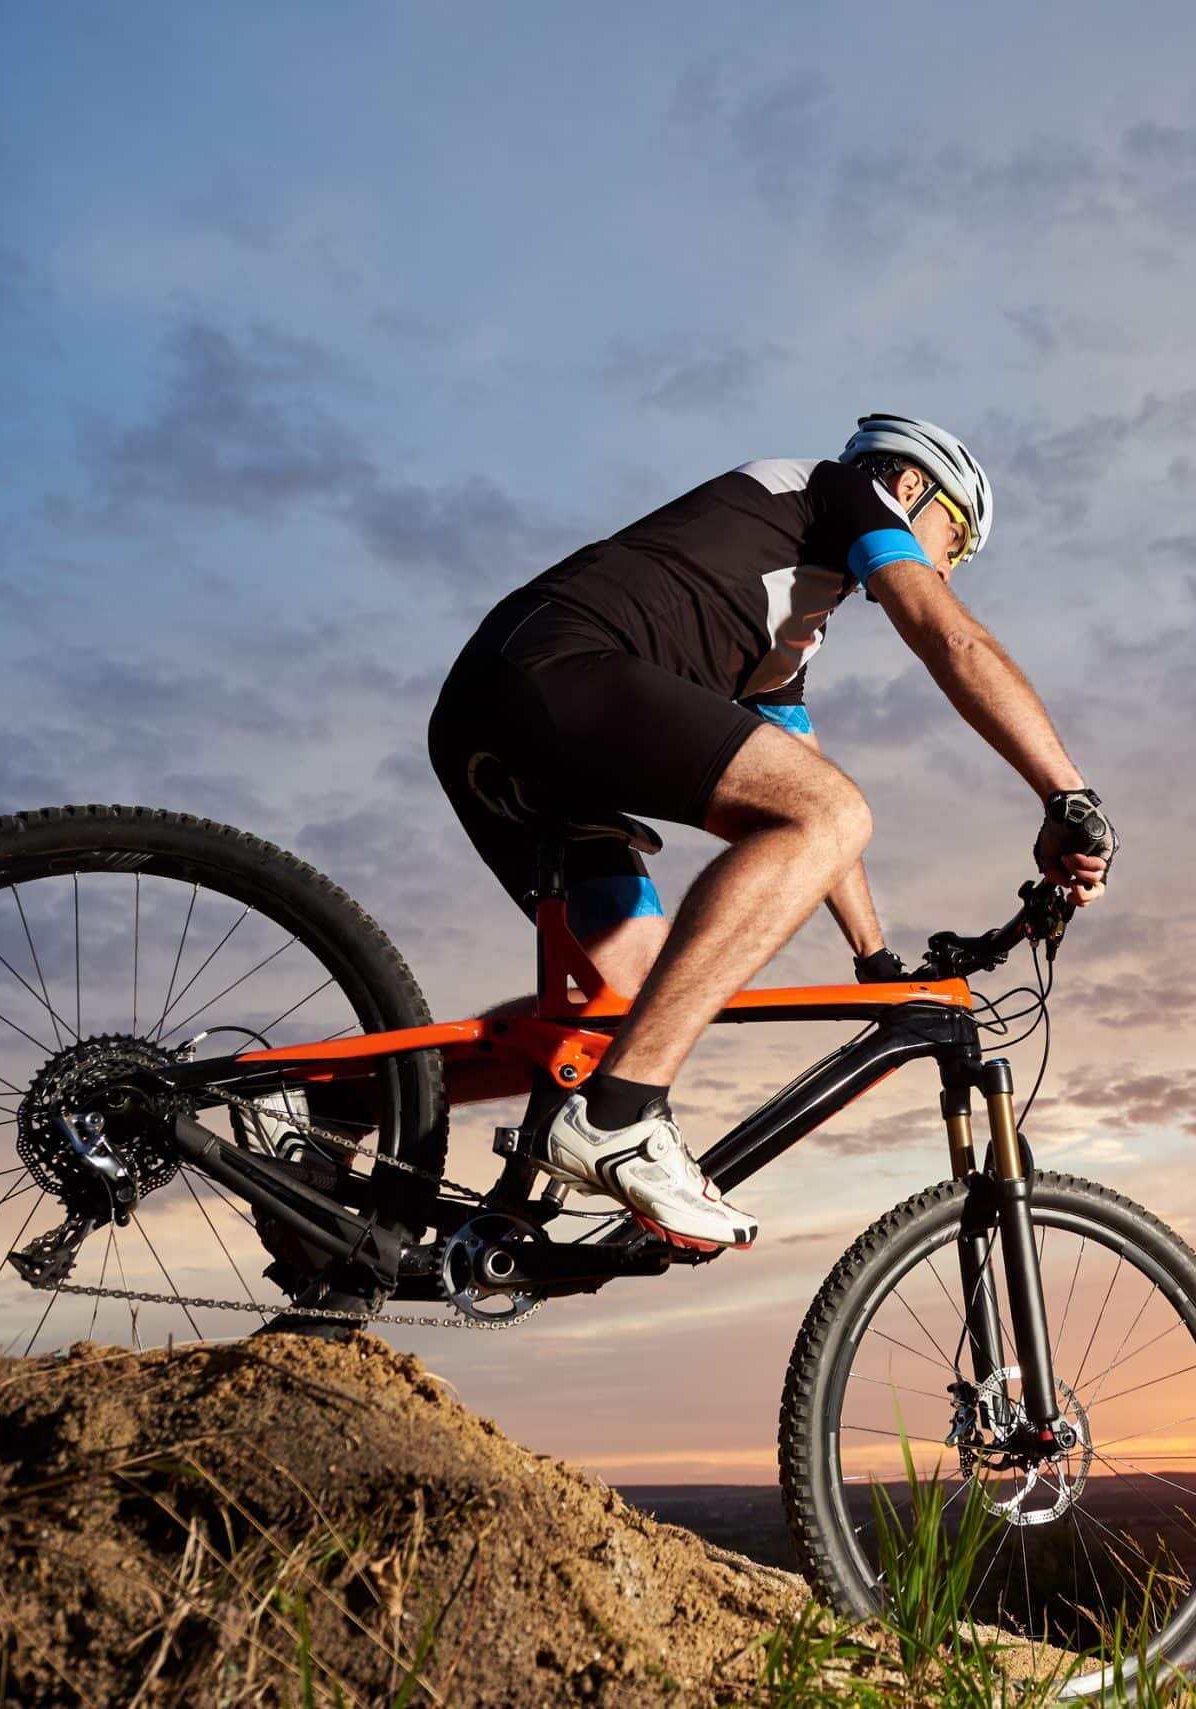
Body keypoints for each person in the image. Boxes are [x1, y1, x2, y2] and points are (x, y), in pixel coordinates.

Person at [427, 415, 1116, 1252]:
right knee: (830, 811)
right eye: (955, 539)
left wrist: (874, 960)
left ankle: (339, 1102)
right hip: (554, 671)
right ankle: (619, 1117)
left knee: (623, 997)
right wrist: (1067, 794)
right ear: (909, 488)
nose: (946, 564)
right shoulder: (844, 491)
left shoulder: (786, 622)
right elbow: (950, 638)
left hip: (496, 705)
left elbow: (802, 770)